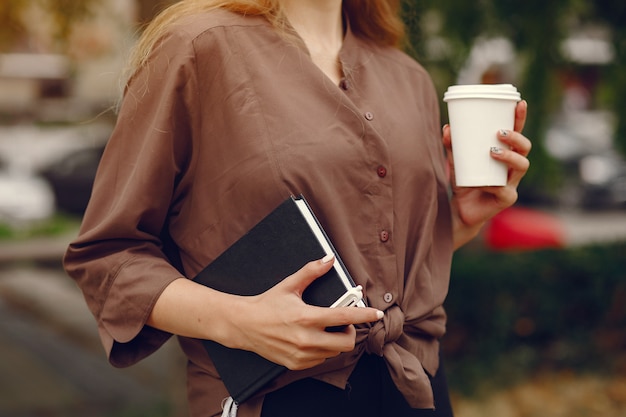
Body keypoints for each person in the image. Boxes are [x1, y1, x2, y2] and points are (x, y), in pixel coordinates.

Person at [63, 1, 531, 417]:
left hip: (416, 386)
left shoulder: (408, 77)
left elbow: (395, 258)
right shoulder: (195, 47)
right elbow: (109, 257)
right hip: (275, 397)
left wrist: (460, 221)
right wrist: (240, 322)